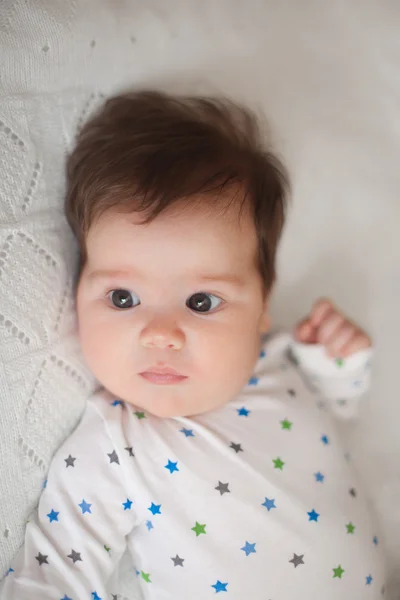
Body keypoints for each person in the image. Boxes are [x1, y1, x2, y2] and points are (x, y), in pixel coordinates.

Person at [2, 91, 385, 599]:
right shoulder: (115, 446)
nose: (161, 334)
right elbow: (52, 577)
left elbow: (338, 415)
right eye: (123, 297)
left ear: (262, 302)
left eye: (202, 302)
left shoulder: (279, 358)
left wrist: (338, 363)